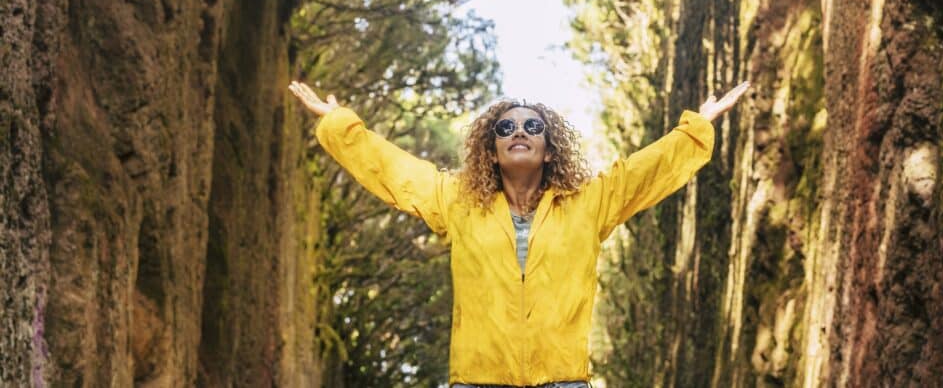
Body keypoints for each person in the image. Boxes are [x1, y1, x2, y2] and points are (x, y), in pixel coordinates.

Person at [289, 80, 750, 387]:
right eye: (506, 127)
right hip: (477, 382)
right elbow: (395, 172)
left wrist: (696, 128)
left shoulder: (589, 203)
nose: (519, 131)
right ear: (490, 152)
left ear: (550, 150)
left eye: (533, 126)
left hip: (563, 383)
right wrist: (340, 125)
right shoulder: (459, 203)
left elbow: (644, 172)